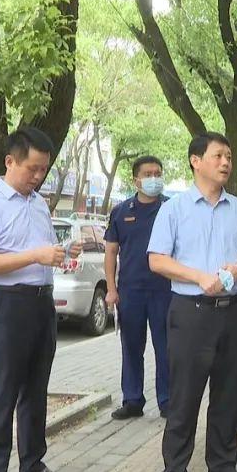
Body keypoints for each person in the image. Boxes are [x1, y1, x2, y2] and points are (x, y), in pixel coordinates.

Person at [0, 127, 81, 472]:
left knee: (36, 386)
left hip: (40, 303)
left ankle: (33, 461)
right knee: (3, 390)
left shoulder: (38, 204)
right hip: (8, 304)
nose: (38, 176)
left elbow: (41, 252)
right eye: (32, 168)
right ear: (9, 161)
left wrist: (61, 253)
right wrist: (36, 256)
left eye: (44, 169)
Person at [147, 132, 237, 472]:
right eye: (218, 155)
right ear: (196, 161)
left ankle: (222, 465)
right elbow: (157, 260)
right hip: (191, 313)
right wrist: (198, 276)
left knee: (229, 391)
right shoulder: (174, 209)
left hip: (234, 311)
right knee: (184, 395)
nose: (226, 162)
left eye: (229, 156)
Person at [104, 155, 172, 420]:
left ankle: (167, 401)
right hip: (131, 291)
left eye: (158, 173)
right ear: (136, 180)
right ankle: (132, 400)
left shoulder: (171, 208)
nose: (154, 178)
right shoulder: (121, 212)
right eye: (148, 174)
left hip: (165, 289)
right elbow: (111, 253)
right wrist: (111, 289)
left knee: (166, 347)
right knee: (131, 346)